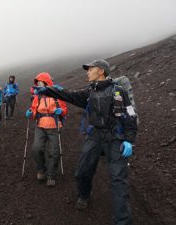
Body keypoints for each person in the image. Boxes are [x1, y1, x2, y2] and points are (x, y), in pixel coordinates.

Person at [34, 60, 137, 225]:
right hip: (95, 136)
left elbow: (130, 115)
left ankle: (122, 221)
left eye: (90, 69)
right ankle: (84, 195)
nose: (87, 72)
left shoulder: (119, 92)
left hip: (115, 138)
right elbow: (68, 95)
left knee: (119, 181)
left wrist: (129, 141)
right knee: (82, 171)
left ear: (101, 71)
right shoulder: (90, 92)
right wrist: (48, 90)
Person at [26, 72, 67, 187]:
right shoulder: (37, 96)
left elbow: (64, 109)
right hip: (40, 126)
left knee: (54, 151)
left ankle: (51, 175)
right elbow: (34, 110)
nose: (38, 84)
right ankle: (41, 169)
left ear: (46, 82)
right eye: (37, 83)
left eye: (40, 82)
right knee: (36, 148)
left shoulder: (57, 94)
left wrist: (61, 112)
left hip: (54, 125)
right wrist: (30, 113)